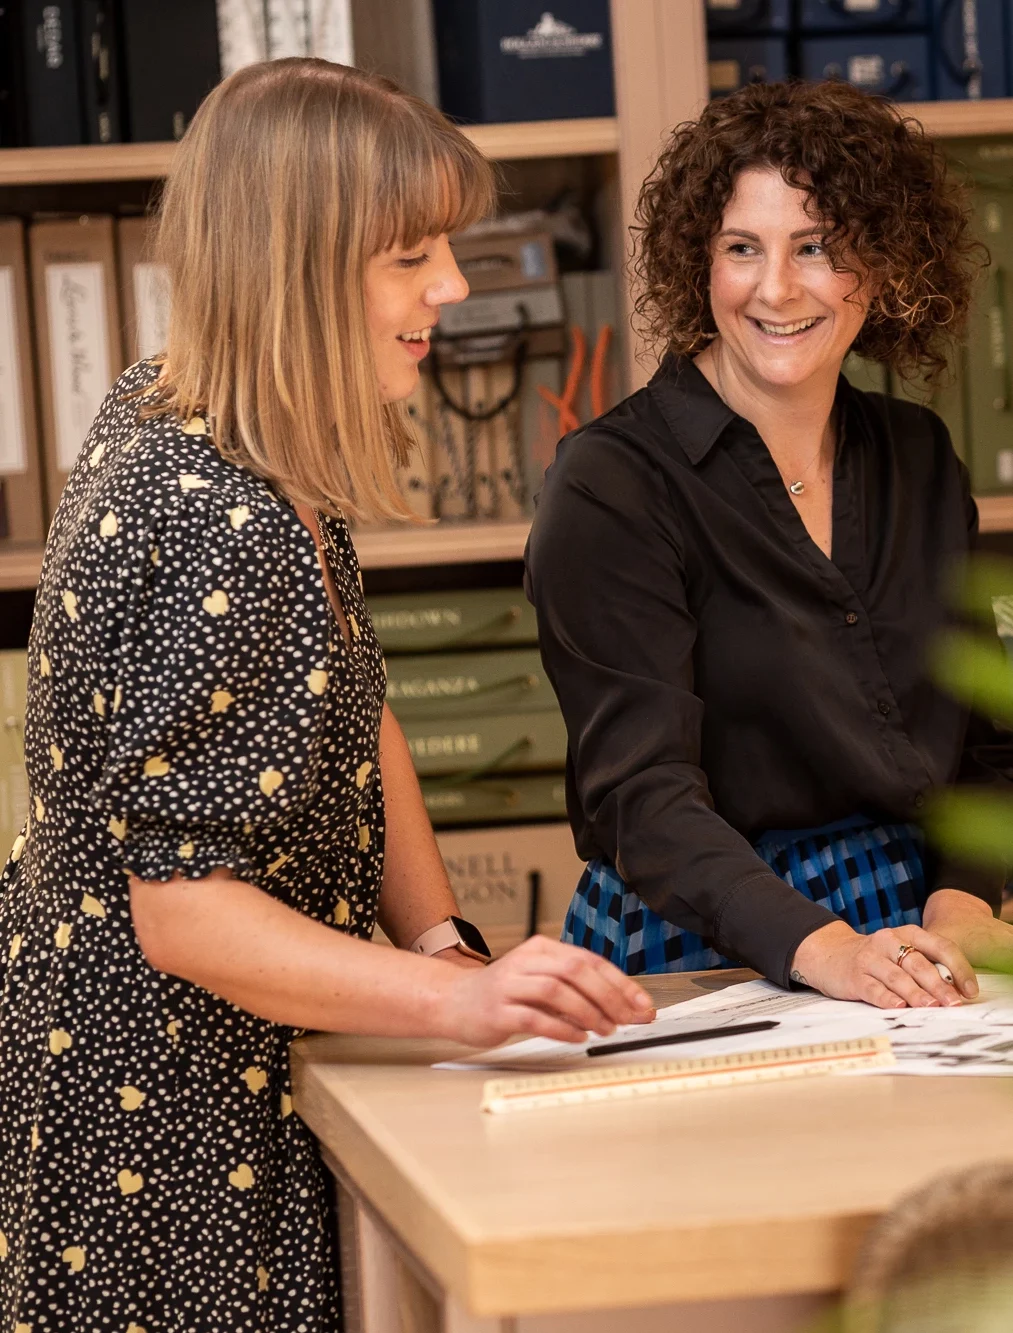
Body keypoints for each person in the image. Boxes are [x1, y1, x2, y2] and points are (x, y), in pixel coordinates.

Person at [0, 60, 654, 1333]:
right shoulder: (222, 525)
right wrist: (455, 1001)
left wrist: (436, 942)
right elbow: (186, 912)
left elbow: (359, 713)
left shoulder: (213, 414)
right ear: (296, 271)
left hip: (220, 1057)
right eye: (410, 257)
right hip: (163, 1108)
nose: (453, 288)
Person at [525, 79, 1013, 1011]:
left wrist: (959, 902)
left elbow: (985, 747)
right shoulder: (610, 482)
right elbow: (644, 799)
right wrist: (823, 948)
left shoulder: (919, 458)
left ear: (883, 264)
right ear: (697, 265)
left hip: (912, 929)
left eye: (817, 247)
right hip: (704, 939)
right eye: (741, 248)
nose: (776, 288)